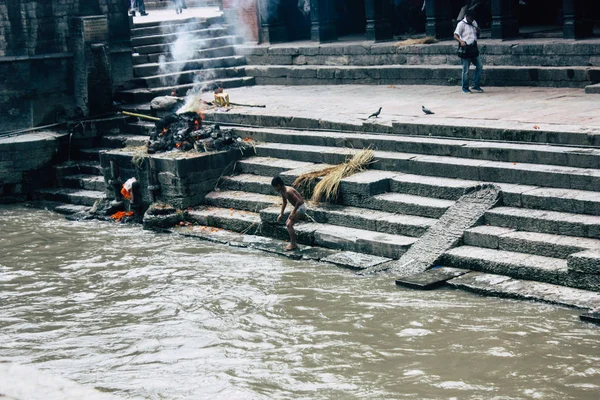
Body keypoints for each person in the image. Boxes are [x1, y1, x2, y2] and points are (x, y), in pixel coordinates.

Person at [271, 176, 307, 251]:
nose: (275, 189)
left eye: (275, 187)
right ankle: (293, 243)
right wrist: (281, 214)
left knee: (289, 225)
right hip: (297, 207)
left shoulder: (288, 191)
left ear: (278, 185)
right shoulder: (282, 191)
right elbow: (284, 202)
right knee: (287, 223)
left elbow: (299, 201)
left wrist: (293, 212)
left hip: (301, 207)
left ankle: (293, 244)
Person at [454, 10, 483, 94]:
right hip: (465, 47)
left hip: (473, 47)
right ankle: (465, 87)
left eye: (473, 19)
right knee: (466, 69)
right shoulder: (461, 24)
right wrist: (461, 41)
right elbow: (455, 35)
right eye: (470, 19)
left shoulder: (474, 22)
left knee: (480, 66)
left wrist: (478, 30)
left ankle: (475, 84)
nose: (471, 20)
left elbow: (477, 34)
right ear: (467, 16)